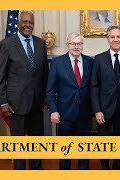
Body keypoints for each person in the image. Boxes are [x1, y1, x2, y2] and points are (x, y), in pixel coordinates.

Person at [0, 11, 49, 170]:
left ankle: (36, 170)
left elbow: (44, 73)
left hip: (37, 102)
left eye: (31, 22)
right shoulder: (7, 44)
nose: (28, 25)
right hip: (15, 104)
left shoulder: (41, 44)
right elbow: (1, 75)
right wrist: (3, 102)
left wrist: (46, 96)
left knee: (37, 142)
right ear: (18, 23)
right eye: (25, 22)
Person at [90, 25, 120, 170]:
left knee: (119, 142)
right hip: (103, 109)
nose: (115, 39)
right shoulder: (99, 59)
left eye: (118, 37)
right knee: (103, 143)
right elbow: (94, 86)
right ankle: (105, 169)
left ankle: (117, 169)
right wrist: (97, 110)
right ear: (108, 39)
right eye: (112, 37)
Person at [46, 32, 94, 170]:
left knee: (84, 150)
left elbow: (94, 88)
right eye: (73, 43)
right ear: (67, 45)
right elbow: (50, 90)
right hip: (64, 113)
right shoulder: (57, 62)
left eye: (79, 43)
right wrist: (54, 111)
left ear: (82, 46)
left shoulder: (91, 62)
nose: (76, 46)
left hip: (85, 113)